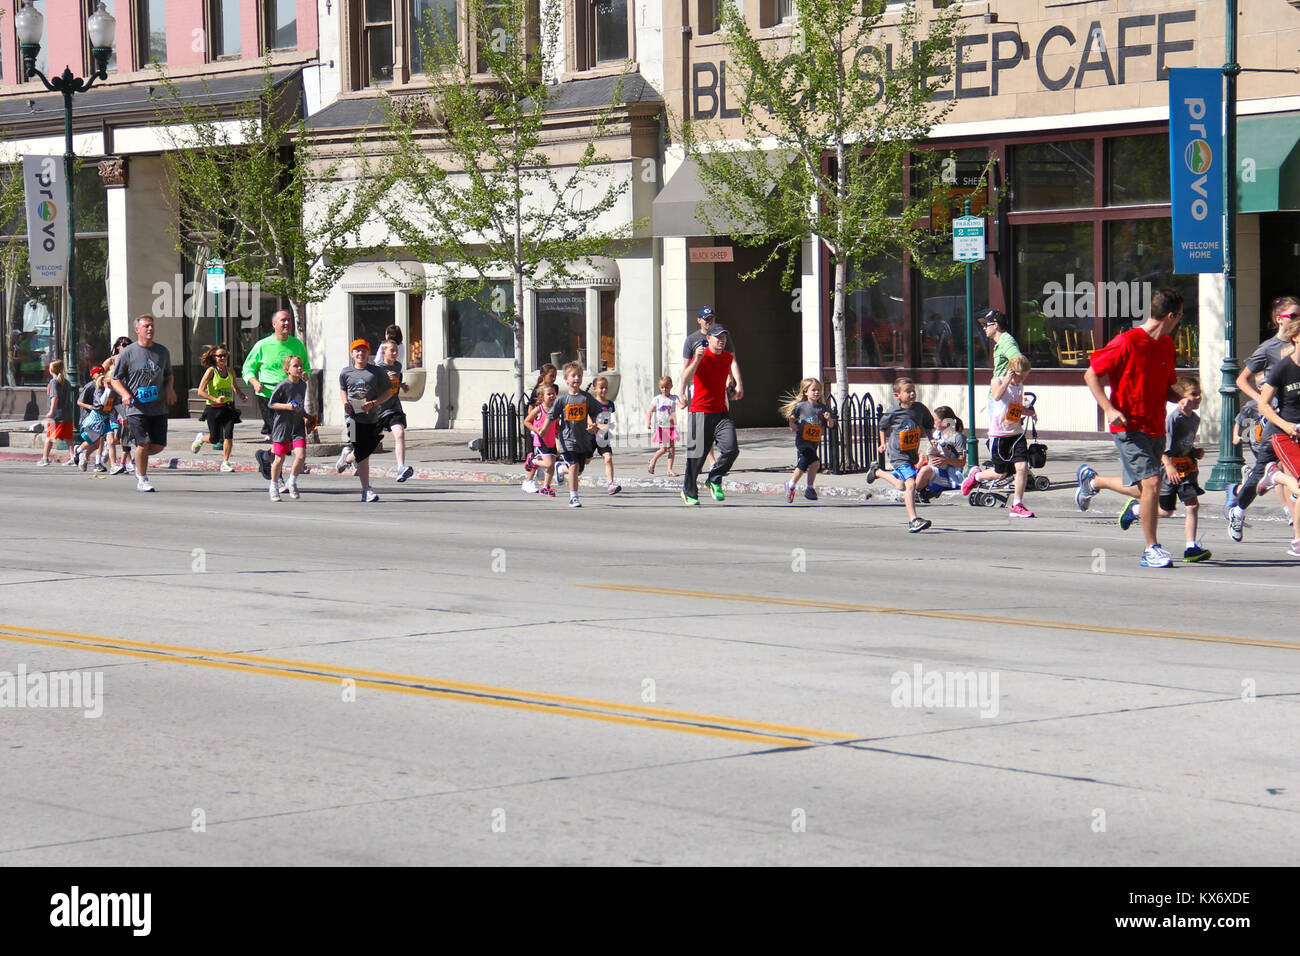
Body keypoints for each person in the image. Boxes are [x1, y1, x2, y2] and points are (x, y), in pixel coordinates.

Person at [1074, 288, 1184, 568]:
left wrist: (1181, 399)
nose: (1180, 321)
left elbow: (1165, 388)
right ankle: (1151, 549)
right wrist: (1109, 408)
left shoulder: (1167, 346)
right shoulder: (1127, 342)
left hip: (1156, 426)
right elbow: (1091, 374)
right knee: (1152, 484)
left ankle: (1092, 481)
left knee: (1144, 490)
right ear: (1170, 316)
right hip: (1128, 426)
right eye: (1180, 317)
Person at [1223, 298, 1300, 541]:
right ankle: (1238, 509)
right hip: (1277, 421)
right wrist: (1262, 401)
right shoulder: (1270, 348)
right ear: (1280, 319)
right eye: (1293, 315)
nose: (1297, 319)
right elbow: (1241, 379)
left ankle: (1295, 530)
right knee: (1260, 472)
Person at [1117, 377, 1211, 562]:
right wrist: (1168, 465)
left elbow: (1184, 444)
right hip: (1169, 469)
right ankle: (1136, 509)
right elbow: (1160, 446)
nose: (1198, 397)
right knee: (1166, 511)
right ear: (1180, 397)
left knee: (1192, 505)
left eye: (1199, 393)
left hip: (1187, 468)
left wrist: (1194, 451)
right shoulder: (1173, 418)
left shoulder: (1195, 419)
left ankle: (1191, 547)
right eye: (1193, 394)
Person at [960, 355, 1037, 518]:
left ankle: (1017, 504)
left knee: (1022, 467)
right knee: (1000, 473)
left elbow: (1014, 406)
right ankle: (976, 476)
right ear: (1011, 371)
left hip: (1016, 433)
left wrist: (1029, 412)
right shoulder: (998, 381)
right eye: (1019, 375)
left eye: (1024, 376)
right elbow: (997, 396)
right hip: (999, 434)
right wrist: (1008, 379)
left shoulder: (1020, 385)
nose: (1021, 379)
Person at [1247, 321, 1300, 555]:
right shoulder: (1283, 368)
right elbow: (1263, 405)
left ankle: (1273, 475)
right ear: (1296, 338)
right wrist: (1286, 425)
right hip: (1284, 434)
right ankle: (1298, 541)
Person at [109, 315, 176, 493]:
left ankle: (138, 459)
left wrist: (170, 389)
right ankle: (142, 479)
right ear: (137, 330)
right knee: (144, 443)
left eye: (152, 326)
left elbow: (169, 375)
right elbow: (115, 379)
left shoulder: (162, 352)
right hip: (135, 406)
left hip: (158, 406)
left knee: (159, 445)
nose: (150, 329)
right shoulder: (128, 352)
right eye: (146, 326)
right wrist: (124, 394)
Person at [680, 323, 744, 506]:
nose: (722, 340)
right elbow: (685, 376)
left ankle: (714, 478)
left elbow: (732, 363)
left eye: (724, 337)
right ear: (708, 339)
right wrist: (682, 394)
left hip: (721, 412)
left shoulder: (725, 357)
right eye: (718, 337)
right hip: (700, 411)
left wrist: (738, 384)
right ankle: (689, 491)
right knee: (696, 457)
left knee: (731, 449)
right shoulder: (701, 356)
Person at [867, 376, 935, 532]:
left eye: (913, 391)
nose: (912, 394)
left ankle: (877, 472)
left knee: (902, 485)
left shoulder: (920, 409)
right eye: (908, 391)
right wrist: (883, 443)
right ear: (897, 395)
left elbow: (927, 426)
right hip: (897, 453)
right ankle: (913, 520)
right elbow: (883, 426)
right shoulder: (893, 411)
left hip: (911, 453)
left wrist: (932, 440)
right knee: (911, 484)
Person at [335, 339, 397, 503]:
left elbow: (389, 392)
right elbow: (342, 389)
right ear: (352, 354)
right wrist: (345, 403)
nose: (360, 353)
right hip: (353, 418)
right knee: (363, 454)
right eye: (357, 351)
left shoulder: (376, 372)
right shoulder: (346, 372)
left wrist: (374, 403)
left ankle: (347, 457)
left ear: (368, 353)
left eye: (363, 350)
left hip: (372, 418)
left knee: (364, 453)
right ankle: (366, 489)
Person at [242, 309, 310, 437]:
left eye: (288, 320)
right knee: (278, 433)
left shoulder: (297, 344)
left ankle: (266, 455)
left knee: (286, 435)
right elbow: (247, 368)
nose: (286, 323)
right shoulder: (262, 345)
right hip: (268, 393)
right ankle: (271, 452)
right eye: (283, 320)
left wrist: (305, 374)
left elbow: (306, 367)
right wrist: (255, 382)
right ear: (274, 324)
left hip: (290, 394)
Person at [545, 362, 602, 507]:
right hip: (567, 439)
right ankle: (574, 497)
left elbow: (596, 413)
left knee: (578, 470)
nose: (577, 378)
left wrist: (594, 425)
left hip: (582, 440)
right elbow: (551, 416)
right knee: (574, 466)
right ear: (566, 379)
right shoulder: (563, 399)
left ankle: (560, 469)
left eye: (580, 375)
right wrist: (543, 431)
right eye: (573, 375)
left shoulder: (586, 398)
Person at [192, 343, 245, 473]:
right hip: (213, 409)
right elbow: (200, 391)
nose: (223, 358)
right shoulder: (211, 371)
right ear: (214, 357)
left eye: (225, 356)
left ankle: (225, 462)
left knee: (229, 435)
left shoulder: (230, 371)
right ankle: (201, 439)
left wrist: (241, 394)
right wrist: (215, 399)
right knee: (214, 438)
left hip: (227, 408)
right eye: (220, 356)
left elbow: (235, 386)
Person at [780, 377, 835, 502]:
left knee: (810, 463)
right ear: (805, 392)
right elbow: (792, 418)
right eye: (813, 390)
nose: (816, 392)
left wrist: (829, 419)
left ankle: (801, 487)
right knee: (811, 461)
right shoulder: (801, 406)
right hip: (802, 440)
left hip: (814, 441)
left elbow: (831, 426)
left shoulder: (823, 408)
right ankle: (799, 487)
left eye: (819, 390)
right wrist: (792, 425)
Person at [267, 355, 310, 501]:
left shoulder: (303, 385)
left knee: (301, 456)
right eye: (295, 366)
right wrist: (286, 406)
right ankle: (273, 486)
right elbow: (271, 404)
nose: (299, 368)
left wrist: (307, 415)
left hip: (297, 426)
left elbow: (299, 405)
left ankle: (292, 481)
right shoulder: (283, 385)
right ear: (287, 369)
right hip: (282, 426)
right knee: (279, 459)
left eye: (300, 366)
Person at [375, 340, 414, 482]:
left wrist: (402, 385)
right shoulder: (377, 369)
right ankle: (348, 458)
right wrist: (386, 380)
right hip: (378, 409)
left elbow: (398, 379)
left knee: (400, 433)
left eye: (396, 350)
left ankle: (401, 467)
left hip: (393, 407)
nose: (395, 353)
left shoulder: (398, 366)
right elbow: (372, 389)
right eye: (392, 350)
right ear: (383, 352)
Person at [72, 365, 114, 473]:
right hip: (90, 416)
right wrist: (91, 407)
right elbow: (79, 402)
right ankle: (83, 454)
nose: (101, 374)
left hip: (103, 415)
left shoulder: (106, 385)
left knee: (99, 440)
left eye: (102, 372)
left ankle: (95, 462)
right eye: (98, 372)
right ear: (92, 375)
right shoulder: (90, 386)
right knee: (96, 441)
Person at [522, 383, 559, 497]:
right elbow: (527, 421)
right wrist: (536, 429)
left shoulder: (555, 410)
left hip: (551, 439)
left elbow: (556, 425)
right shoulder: (539, 409)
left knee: (551, 465)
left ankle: (545, 487)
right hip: (541, 440)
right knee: (548, 464)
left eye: (553, 393)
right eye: (549, 394)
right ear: (542, 396)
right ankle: (532, 460)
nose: (552, 396)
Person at [922, 406, 967, 495]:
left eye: (934, 420)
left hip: (950, 474)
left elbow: (962, 462)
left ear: (945, 422)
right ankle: (914, 493)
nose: (932, 422)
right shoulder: (936, 434)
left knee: (925, 471)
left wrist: (945, 460)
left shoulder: (958, 437)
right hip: (936, 468)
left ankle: (912, 494)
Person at [38, 360, 75, 466]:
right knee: (68, 438)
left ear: (51, 370)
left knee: (49, 437)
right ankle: (73, 457)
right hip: (67, 414)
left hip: (57, 415)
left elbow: (55, 397)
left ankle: (45, 458)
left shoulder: (53, 382)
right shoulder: (66, 382)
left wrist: (51, 412)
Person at [589, 375, 621, 494]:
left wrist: (608, 426)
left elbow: (609, 418)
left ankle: (611, 484)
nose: (604, 390)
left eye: (605, 387)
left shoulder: (610, 404)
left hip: (603, 437)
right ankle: (562, 469)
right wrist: (594, 425)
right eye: (601, 387)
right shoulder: (591, 403)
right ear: (595, 389)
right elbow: (588, 417)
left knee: (608, 458)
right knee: (585, 462)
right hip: (591, 437)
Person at [647, 376, 679, 476]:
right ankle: (653, 460)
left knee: (672, 448)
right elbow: (650, 411)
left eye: (667, 387)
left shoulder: (674, 398)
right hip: (662, 427)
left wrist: (685, 403)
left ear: (671, 387)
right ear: (659, 387)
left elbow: (681, 405)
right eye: (662, 387)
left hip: (671, 427)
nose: (664, 389)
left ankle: (669, 469)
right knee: (663, 449)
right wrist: (648, 421)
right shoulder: (657, 399)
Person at [980, 308, 1022, 380]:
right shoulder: (1001, 342)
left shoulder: (1006, 341)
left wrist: (1007, 384)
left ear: (995, 325)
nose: (984, 328)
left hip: (1004, 390)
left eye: (986, 324)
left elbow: (1019, 362)